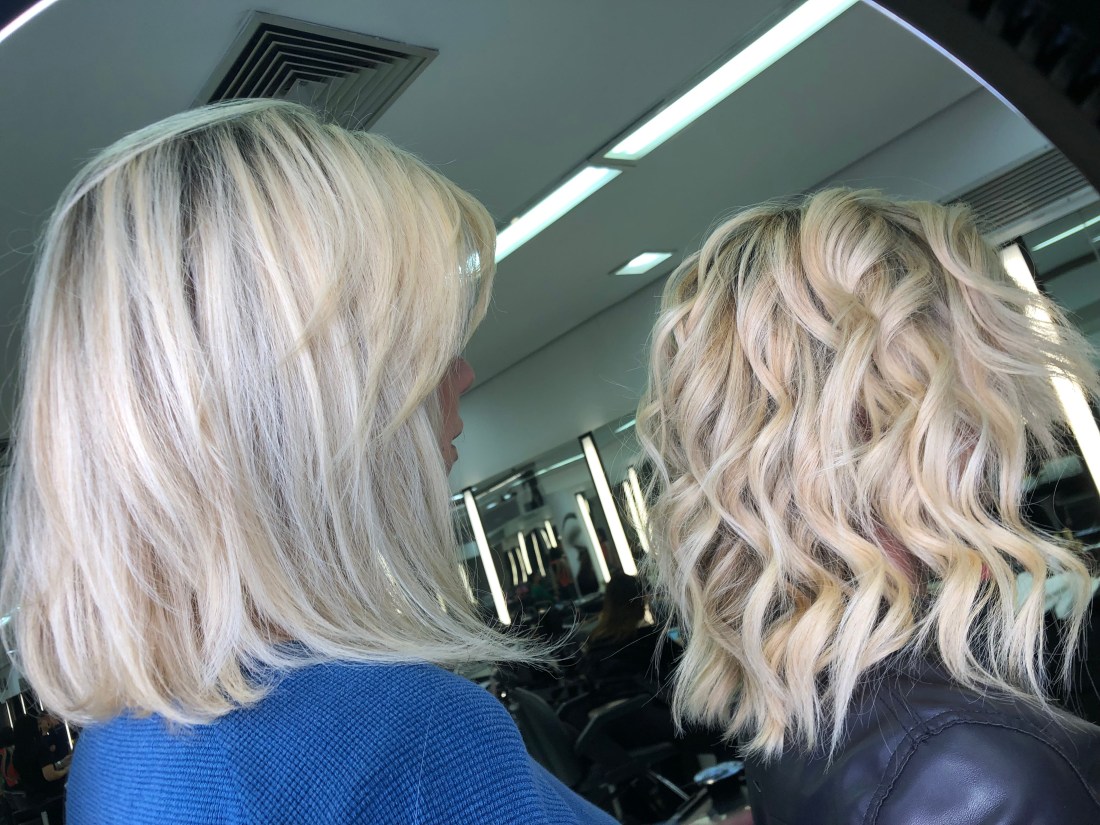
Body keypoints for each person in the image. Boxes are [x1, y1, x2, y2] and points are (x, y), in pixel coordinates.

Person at [1, 100, 615, 824]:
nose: (463, 374)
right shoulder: (409, 741)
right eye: (430, 347)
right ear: (321, 405)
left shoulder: (118, 750)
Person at [637, 188, 1100, 824]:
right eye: (987, 370)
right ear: (908, 412)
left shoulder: (811, 705)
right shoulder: (973, 777)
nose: (1010, 415)